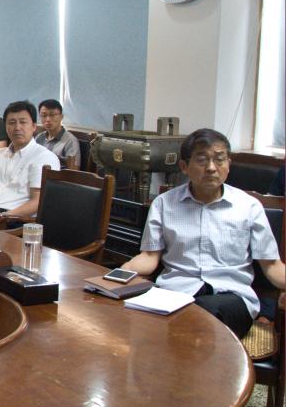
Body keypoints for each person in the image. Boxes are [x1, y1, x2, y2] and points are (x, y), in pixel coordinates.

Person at [121, 128, 284, 339]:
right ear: (184, 167)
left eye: (219, 160)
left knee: (201, 312)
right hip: (174, 295)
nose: (211, 168)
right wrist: (122, 273)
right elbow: (149, 257)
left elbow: (272, 266)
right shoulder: (164, 204)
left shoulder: (249, 207)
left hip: (232, 299)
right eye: (201, 160)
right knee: (134, 317)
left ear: (228, 164)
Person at [0, 100, 60, 223]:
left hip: (14, 220)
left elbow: (38, 201)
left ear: (34, 126)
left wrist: (2, 216)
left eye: (23, 122)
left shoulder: (44, 157)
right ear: (5, 127)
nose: (17, 127)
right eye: (11, 123)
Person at [35, 99, 80, 168]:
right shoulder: (39, 138)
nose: (48, 119)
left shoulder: (70, 141)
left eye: (52, 115)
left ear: (61, 117)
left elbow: (73, 171)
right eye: (44, 115)